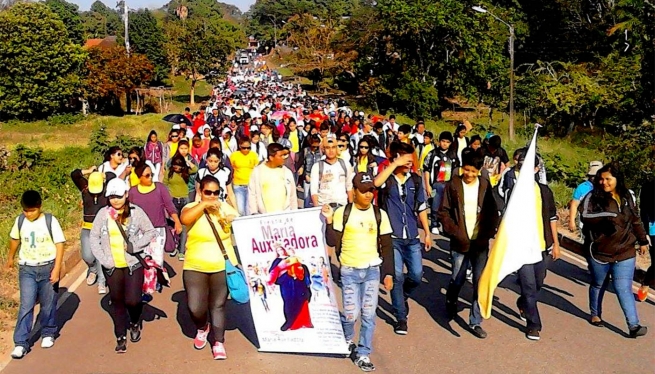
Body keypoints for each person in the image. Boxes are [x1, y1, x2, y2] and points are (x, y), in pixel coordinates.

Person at [323, 172, 394, 372]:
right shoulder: (342, 213)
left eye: (370, 191)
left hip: (372, 271)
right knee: (351, 314)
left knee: (369, 314)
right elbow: (331, 241)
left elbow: (387, 245)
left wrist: (389, 273)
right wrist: (328, 220)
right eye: (363, 191)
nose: (368, 195)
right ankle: (346, 340)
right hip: (349, 271)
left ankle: (363, 352)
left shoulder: (380, 214)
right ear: (354, 192)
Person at [579, 163, 649, 338]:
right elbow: (585, 216)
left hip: (625, 250)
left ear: (617, 179)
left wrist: (642, 240)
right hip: (599, 250)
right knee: (598, 283)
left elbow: (635, 219)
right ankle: (595, 313)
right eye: (601, 179)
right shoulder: (592, 197)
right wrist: (608, 216)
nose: (604, 182)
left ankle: (634, 325)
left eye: (608, 179)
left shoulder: (627, 197)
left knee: (622, 287)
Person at [89, 179, 157, 353]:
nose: (115, 200)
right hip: (112, 267)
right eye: (112, 196)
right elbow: (93, 238)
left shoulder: (136, 212)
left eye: (118, 196)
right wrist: (104, 260)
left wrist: (137, 245)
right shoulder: (102, 214)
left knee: (133, 301)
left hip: (133, 264)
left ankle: (134, 322)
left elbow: (151, 232)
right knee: (118, 302)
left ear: (126, 195)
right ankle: (120, 336)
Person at [438, 152, 499, 338]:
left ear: (480, 171)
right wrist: (454, 231)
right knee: (458, 278)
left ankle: (475, 321)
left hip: (480, 243)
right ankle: (451, 300)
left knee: (480, 281)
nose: (469, 174)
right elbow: (443, 211)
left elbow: (492, 212)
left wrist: (489, 232)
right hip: (460, 242)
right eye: (466, 170)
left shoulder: (485, 186)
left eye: (473, 171)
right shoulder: (453, 185)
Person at [374, 142, 431, 335]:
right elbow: (375, 183)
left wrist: (427, 232)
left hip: (412, 236)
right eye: (406, 159)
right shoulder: (387, 179)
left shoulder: (415, 180)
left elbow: (421, 207)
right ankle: (400, 318)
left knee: (416, 275)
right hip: (392, 237)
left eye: (411, 159)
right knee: (397, 276)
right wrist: (393, 164)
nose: (410, 163)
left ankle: (402, 296)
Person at [180, 176, 240, 360]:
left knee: (218, 305)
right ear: (200, 192)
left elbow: (242, 226)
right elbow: (184, 219)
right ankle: (202, 327)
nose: (212, 196)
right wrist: (204, 205)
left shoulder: (225, 208)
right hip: (195, 265)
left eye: (216, 193)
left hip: (221, 265)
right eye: (208, 192)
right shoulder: (191, 207)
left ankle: (218, 342)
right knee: (195, 307)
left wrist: (232, 219)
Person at [7, 190, 66, 359]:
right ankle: (20, 342)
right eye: (26, 210)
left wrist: (56, 268)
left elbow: (60, 244)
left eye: (32, 210)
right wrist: (11, 257)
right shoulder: (20, 221)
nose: (29, 214)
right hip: (27, 268)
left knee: (48, 302)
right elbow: (14, 239)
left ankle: (48, 332)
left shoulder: (50, 221)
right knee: (26, 304)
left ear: (39, 207)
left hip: (47, 266)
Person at [508, 155, 561, 341]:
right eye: (521, 166)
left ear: (537, 169)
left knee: (538, 282)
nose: (524, 169)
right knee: (529, 286)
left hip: (541, 247)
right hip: (521, 248)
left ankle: (523, 303)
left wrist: (555, 243)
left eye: (529, 166)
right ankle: (533, 325)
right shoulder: (513, 191)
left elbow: (553, 218)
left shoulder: (545, 191)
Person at [71, 167, 111, 294]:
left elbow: (112, 176)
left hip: (102, 229)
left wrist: (101, 175)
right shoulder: (85, 189)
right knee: (87, 256)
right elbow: (74, 174)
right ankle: (92, 269)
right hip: (87, 228)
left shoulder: (106, 190)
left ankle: (102, 281)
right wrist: (88, 171)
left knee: (100, 256)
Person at [129, 163, 182, 259]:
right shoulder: (133, 192)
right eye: (147, 176)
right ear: (139, 177)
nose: (151, 177)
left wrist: (177, 222)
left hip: (158, 230)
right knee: (141, 262)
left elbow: (169, 206)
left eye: (151, 174)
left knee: (156, 261)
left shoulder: (160, 188)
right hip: (140, 231)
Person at [268, 246, 313, 331]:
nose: (280, 251)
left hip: (298, 283)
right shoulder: (277, 261)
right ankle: (289, 322)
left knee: (300, 301)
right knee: (288, 302)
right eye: (278, 250)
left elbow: (301, 266)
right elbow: (272, 273)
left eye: (281, 249)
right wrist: (283, 274)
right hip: (286, 284)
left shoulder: (292, 258)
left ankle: (301, 322)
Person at [423, 131, 459, 234]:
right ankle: (434, 223)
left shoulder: (453, 156)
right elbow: (427, 170)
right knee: (435, 204)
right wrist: (428, 186)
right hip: (436, 184)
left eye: (447, 142)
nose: (444, 144)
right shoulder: (433, 154)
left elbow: (456, 171)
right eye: (443, 141)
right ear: (439, 141)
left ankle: (445, 226)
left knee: (447, 206)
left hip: (448, 185)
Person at [248, 143, 298, 214]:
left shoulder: (287, 172)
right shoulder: (257, 172)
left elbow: (292, 196)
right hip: (265, 217)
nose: (283, 158)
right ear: (271, 157)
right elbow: (252, 195)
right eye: (280, 156)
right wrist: (254, 213)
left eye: (284, 155)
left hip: (285, 216)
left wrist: (294, 212)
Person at [164, 154, 198, 261]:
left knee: (183, 225)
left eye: (179, 166)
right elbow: (164, 184)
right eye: (175, 166)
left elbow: (195, 169)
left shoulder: (186, 171)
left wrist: (187, 161)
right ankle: (174, 246)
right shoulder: (169, 172)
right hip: (173, 200)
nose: (177, 168)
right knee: (174, 224)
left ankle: (182, 250)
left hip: (185, 199)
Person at [310, 134, 354, 208]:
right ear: (323, 149)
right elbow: (314, 190)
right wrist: (316, 208)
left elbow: (349, 186)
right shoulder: (317, 166)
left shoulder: (345, 164)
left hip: (342, 206)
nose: (331, 151)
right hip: (324, 206)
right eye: (328, 148)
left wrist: (351, 207)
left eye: (333, 147)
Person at [568, 161, 603, 233]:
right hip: (585, 222)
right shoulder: (582, 187)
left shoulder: (604, 187)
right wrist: (572, 221)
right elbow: (574, 205)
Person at [229, 137, 260, 215]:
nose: (246, 150)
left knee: (249, 210)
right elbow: (230, 169)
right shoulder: (234, 155)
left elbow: (257, 169)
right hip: (238, 186)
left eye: (248, 148)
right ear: (239, 146)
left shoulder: (254, 155)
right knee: (240, 210)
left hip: (251, 186)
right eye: (244, 148)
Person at [637, 178, 654, 302]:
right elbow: (644, 210)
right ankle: (646, 283)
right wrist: (645, 233)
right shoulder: (648, 186)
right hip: (653, 228)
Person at [301, 134, 323, 208]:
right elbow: (302, 164)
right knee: (307, 197)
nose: (315, 148)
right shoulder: (306, 151)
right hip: (308, 175)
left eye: (317, 146)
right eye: (314, 146)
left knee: (317, 196)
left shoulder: (320, 152)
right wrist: (305, 175)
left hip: (318, 176)